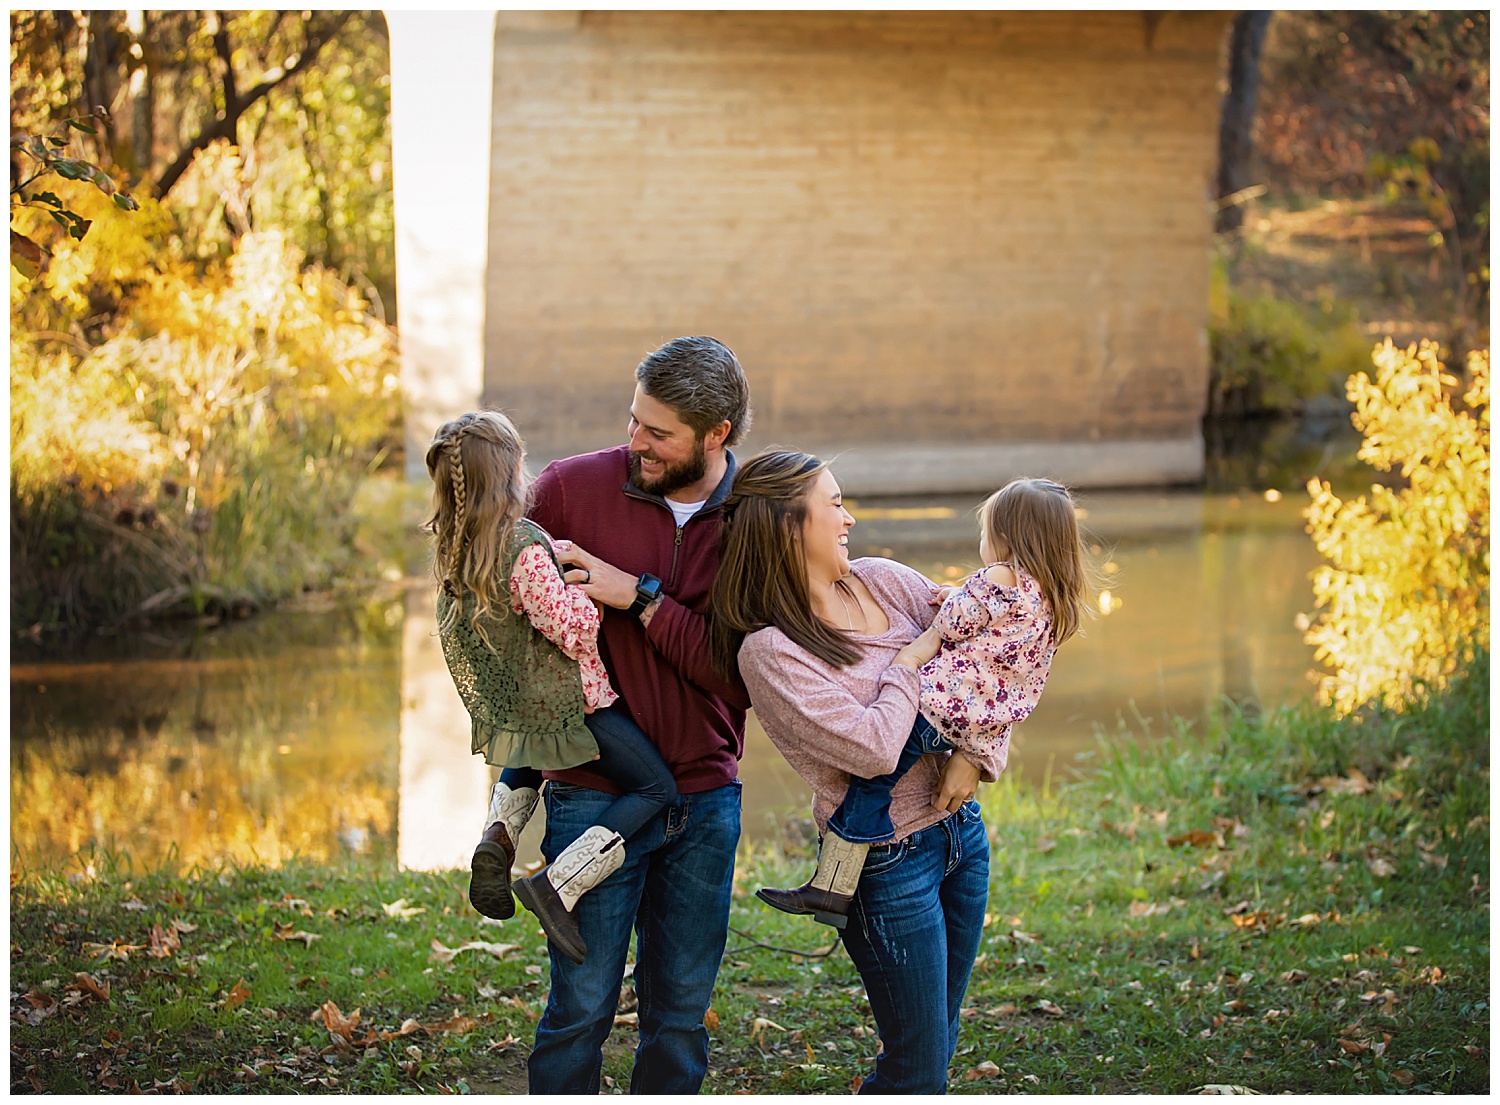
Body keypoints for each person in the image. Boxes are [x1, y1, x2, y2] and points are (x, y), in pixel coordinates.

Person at [709, 451, 1026, 1093]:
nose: (849, 518)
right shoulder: (772, 651)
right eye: (834, 505)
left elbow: (1000, 658)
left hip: (962, 836)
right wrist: (912, 660)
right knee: (916, 1060)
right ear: (789, 528)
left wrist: (978, 754)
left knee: (936, 1040)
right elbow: (877, 748)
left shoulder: (884, 580)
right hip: (885, 866)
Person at [520, 336, 753, 1095]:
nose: (635, 442)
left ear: (717, 433)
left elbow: (740, 672)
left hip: (705, 797)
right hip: (589, 789)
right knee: (579, 1008)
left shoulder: (757, 521)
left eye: (658, 433)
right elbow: (498, 611)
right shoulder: (565, 490)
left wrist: (641, 597)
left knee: (680, 1017)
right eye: (633, 420)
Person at [756, 475, 1087, 927]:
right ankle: (835, 881)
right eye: (835, 505)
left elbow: (951, 625)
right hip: (952, 761)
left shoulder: (994, 579)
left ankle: (838, 871)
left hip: (941, 732)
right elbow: (1006, 666)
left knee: (873, 783)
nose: (849, 517)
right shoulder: (1046, 601)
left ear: (1005, 537)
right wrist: (976, 743)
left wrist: (910, 665)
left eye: (985, 533)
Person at [422, 410, 678, 967]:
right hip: (574, 702)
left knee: (531, 754)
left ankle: (498, 835)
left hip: (520, 703)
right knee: (658, 790)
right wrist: (585, 589)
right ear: (513, 476)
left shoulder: (460, 547)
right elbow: (572, 626)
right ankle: (557, 884)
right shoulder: (524, 549)